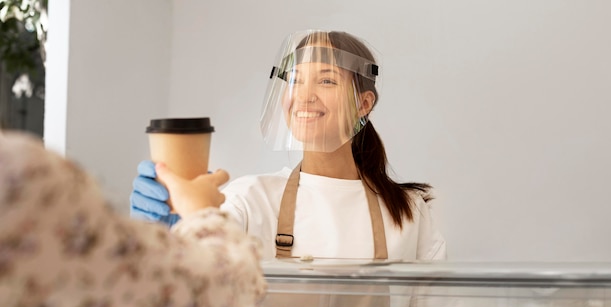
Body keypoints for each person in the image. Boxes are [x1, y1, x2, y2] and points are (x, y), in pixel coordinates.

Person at [131, 30, 446, 262]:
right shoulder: (248, 199)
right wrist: (164, 238)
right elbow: (192, 292)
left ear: (364, 103)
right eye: (295, 79)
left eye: (326, 80)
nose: (304, 95)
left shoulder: (410, 210)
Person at [0, 132, 266, 307]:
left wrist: (152, 242)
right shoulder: (22, 176)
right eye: (297, 80)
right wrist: (201, 213)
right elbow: (222, 293)